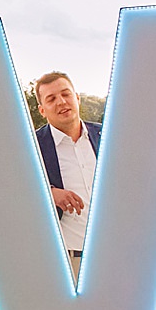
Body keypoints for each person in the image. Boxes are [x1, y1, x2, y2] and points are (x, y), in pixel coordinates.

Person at [32, 70, 101, 283]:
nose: (61, 102)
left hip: (116, 252)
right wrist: (49, 193)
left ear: (77, 98)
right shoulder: (31, 147)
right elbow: (12, 192)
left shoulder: (109, 135)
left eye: (66, 94)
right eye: (51, 99)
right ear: (42, 110)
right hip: (67, 261)